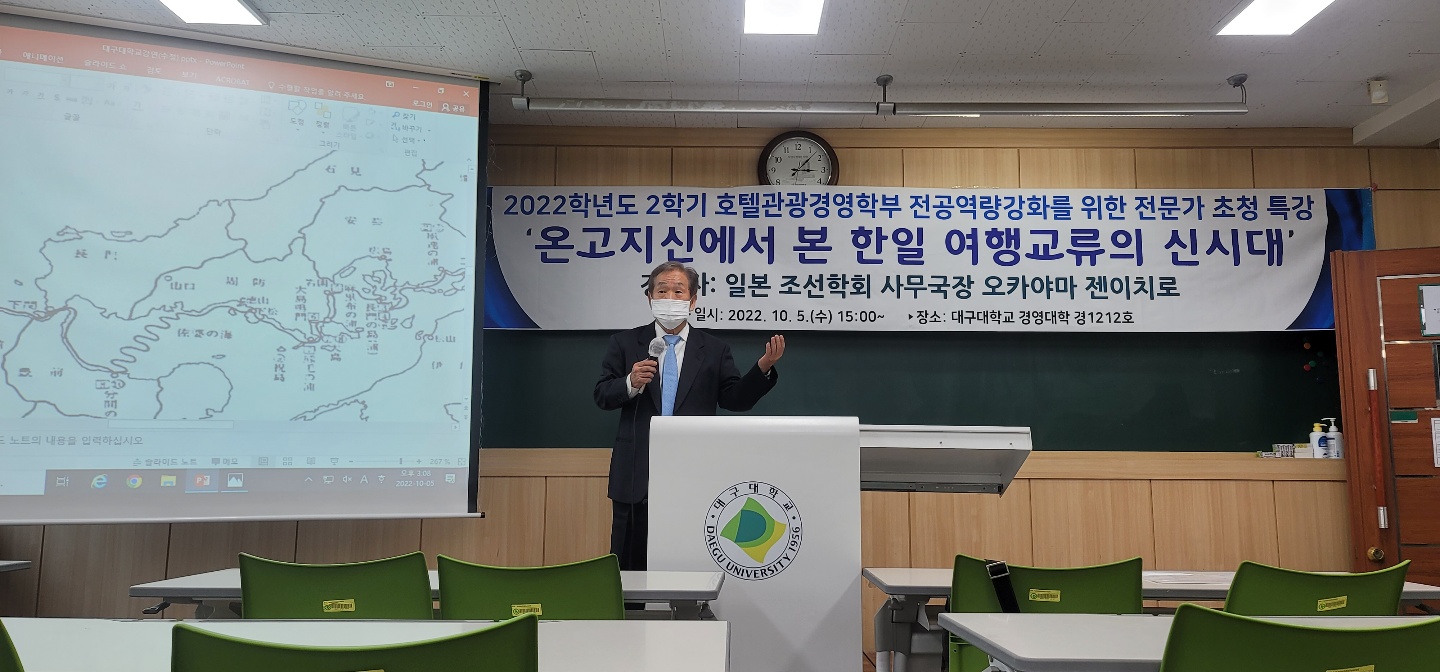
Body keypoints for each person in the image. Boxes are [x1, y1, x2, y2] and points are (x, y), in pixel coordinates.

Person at [594, 261, 784, 571]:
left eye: (678, 291)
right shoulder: (626, 343)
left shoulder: (714, 349)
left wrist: (762, 368)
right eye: (662, 291)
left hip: (694, 471)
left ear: (692, 300)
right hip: (637, 472)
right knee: (629, 566)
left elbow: (734, 400)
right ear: (649, 298)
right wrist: (630, 383)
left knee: (688, 563)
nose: (669, 298)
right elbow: (602, 395)